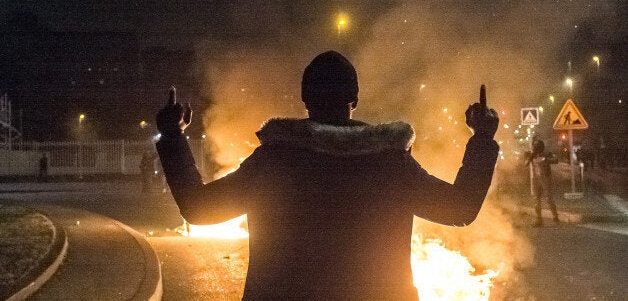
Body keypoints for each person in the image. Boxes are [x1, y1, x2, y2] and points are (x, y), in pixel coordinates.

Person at [156, 51, 499, 299]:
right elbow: (459, 209)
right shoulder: (389, 162)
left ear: (305, 98)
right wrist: (482, 139)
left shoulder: (274, 161)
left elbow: (198, 209)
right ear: (355, 99)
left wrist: (173, 135)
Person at [525, 139, 559, 226]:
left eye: (536, 147)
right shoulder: (532, 155)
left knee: (548, 198)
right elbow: (526, 164)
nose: (535, 148)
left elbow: (556, 160)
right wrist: (530, 157)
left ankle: (555, 217)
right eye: (534, 147)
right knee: (537, 199)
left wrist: (547, 159)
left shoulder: (547, 154)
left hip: (546, 179)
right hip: (536, 179)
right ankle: (539, 219)